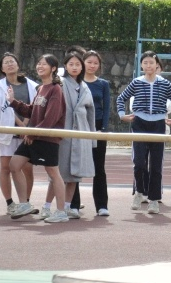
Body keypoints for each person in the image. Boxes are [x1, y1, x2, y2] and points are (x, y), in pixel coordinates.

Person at [116, 51, 171, 215]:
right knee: (139, 162)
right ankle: (139, 192)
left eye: (151, 63)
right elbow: (121, 98)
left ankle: (154, 199)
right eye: (145, 63)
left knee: (156, 164)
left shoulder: (164, 83)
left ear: (157, 65)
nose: (148, 66)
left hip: (158, 124)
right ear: (141, 65)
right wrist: (122, 115)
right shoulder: (137, 82)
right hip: (139, 123)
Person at [7, 55, 69, 223]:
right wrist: (13, 102)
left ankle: (61, 212)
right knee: (14, 165)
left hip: (47, 139)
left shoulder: (55, 90)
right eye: (38, 63)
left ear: (53, 68)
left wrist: (31, 133)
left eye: (44, 64)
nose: (40, 66)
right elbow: (31, 111)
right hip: (34, 137)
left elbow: (51, 118)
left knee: (53, 173)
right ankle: (24, 203)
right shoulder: (41, 88)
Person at [0, 53, 37, 215]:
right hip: (8, 131)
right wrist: (20, 126)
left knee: (27, 168)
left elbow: (34, 106)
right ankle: (10, 203)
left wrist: (26, 126)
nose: (9, 64)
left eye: (12, 61)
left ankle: (25, 202)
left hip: (27, 133)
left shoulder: (31, 85)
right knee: (6, 167)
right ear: (2, 68)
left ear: (18, 65)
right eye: (6, 62)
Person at [70, 50, 111, 216]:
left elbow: (107, 108)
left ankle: (102, 206)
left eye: (96, 63)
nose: (92, 65)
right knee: (75, 165)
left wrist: (103, 129)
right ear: (83, 63)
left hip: (97, 128)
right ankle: (73, 205)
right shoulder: (74, 83)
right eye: (89, 62)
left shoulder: (103, 84)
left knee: (99, 167)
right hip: (78, 127)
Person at [57, 52, 96, 219]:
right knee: (58, 173)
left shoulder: (84, 86)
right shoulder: (60, 83)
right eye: (71, 64)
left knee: (75, 175)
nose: (74, 67)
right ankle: (49, 206)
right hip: (63, 131)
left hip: (81, 131)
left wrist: (92, 138)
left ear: (82, 67)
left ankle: (68, 206)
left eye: (77, 65)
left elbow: (91, 113)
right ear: (65, 66)